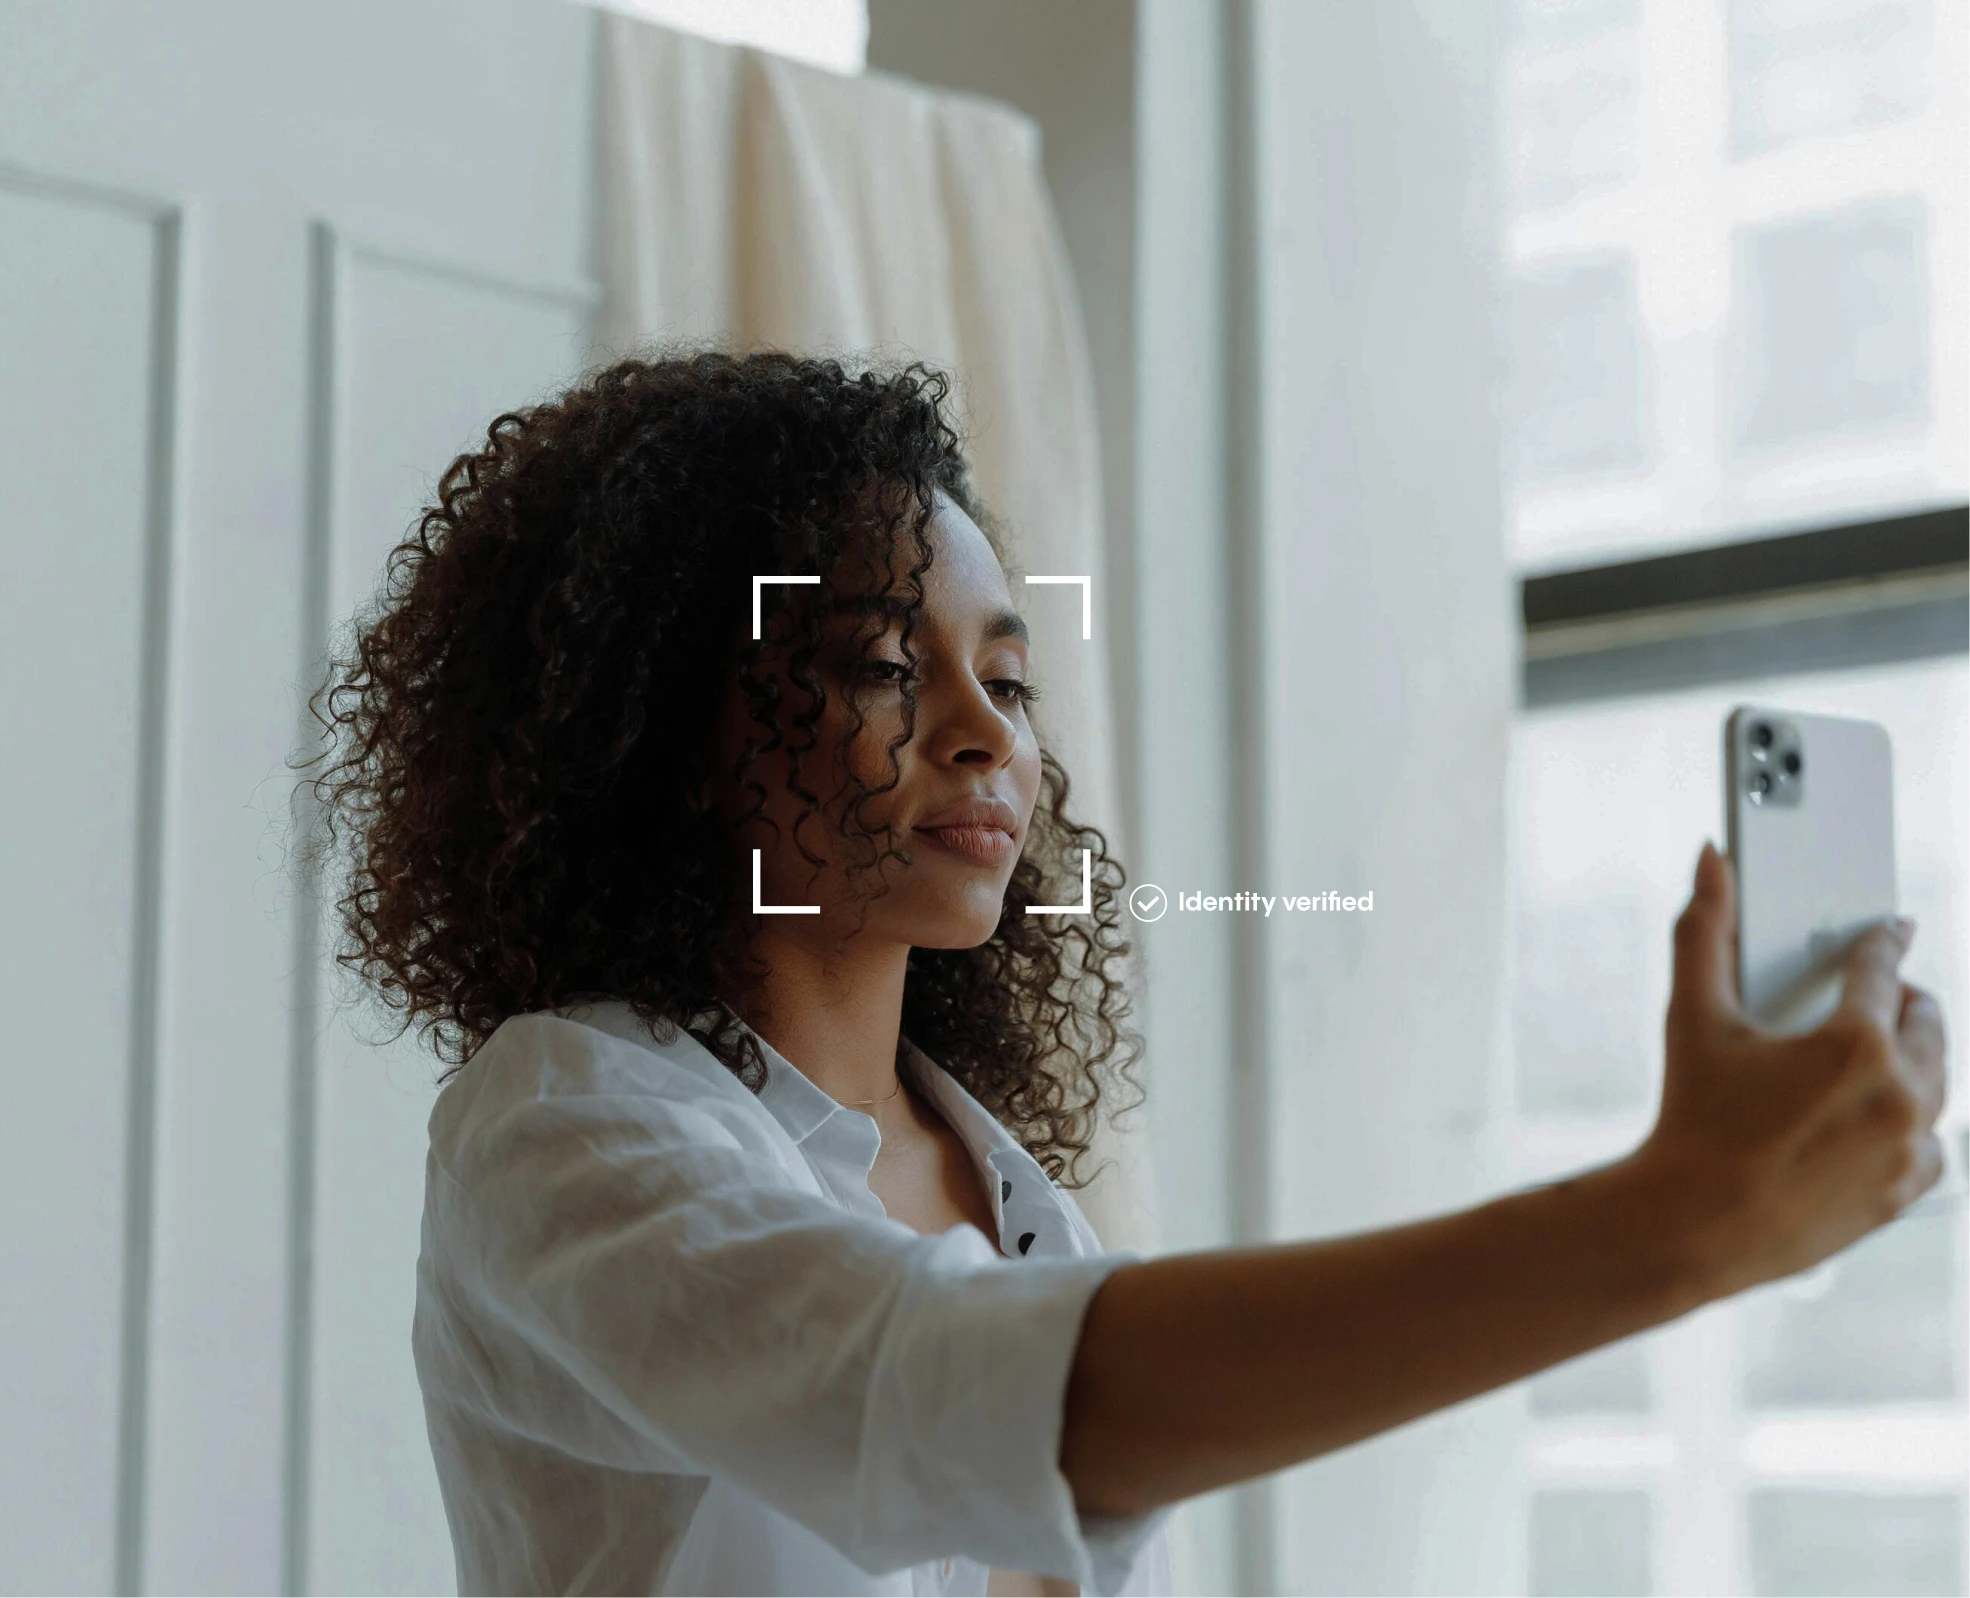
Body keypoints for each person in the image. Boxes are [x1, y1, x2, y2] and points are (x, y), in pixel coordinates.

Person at [303, 351, 1949, 1597]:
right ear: (669, 736)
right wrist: (1668, 1223)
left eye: (1008, 679)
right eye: (881, 663)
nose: (983, 734)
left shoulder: (1020, 1202)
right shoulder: (560, 1121)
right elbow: (963, 1395)